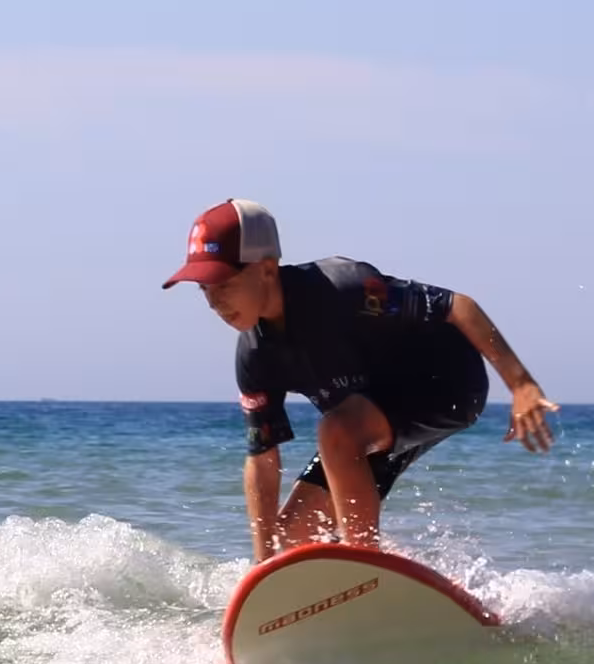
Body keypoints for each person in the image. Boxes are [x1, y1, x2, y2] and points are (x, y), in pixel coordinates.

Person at [161, 198, 559, 562]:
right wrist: (262, 564)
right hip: (367, 422)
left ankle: (363, 563)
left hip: (446, 383)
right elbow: (263, 459)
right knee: (293, 538)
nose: (215, 302)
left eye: (225, 284)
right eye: (205, 289)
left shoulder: (340, 288)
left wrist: (520, 385)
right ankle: (388, 574)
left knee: (336, 431)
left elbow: (457, 306)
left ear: (267, 269)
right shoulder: (255, 355)